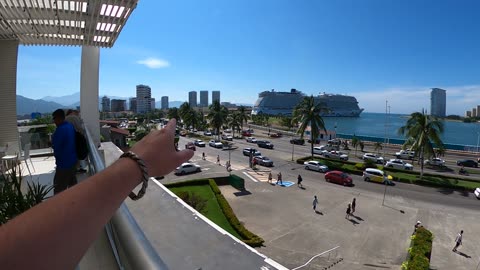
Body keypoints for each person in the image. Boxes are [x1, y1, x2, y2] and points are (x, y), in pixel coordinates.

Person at [0, 119, 193, 270]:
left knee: (62, 185)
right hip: (70, 164)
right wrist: (136, 165)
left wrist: (134, 165)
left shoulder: (63, 131)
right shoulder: (67, 130)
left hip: (66, 164)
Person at [51, 109, 78, 195]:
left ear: (59, 118)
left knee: (59, 190)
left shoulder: (60, 130)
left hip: (63, 164)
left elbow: (57, 147)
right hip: (73, 161)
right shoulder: (70, 126)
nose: (54, 121)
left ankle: (59, 207)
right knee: (73, 187)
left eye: (54, 118)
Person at [65, 109, 87, 173]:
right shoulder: (74, 117)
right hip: (75, 138)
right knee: (77, 153)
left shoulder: (65, 118)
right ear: (73, 112)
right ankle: (76, 168)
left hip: (68, 139)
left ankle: (74, 168)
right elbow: (80, 128)